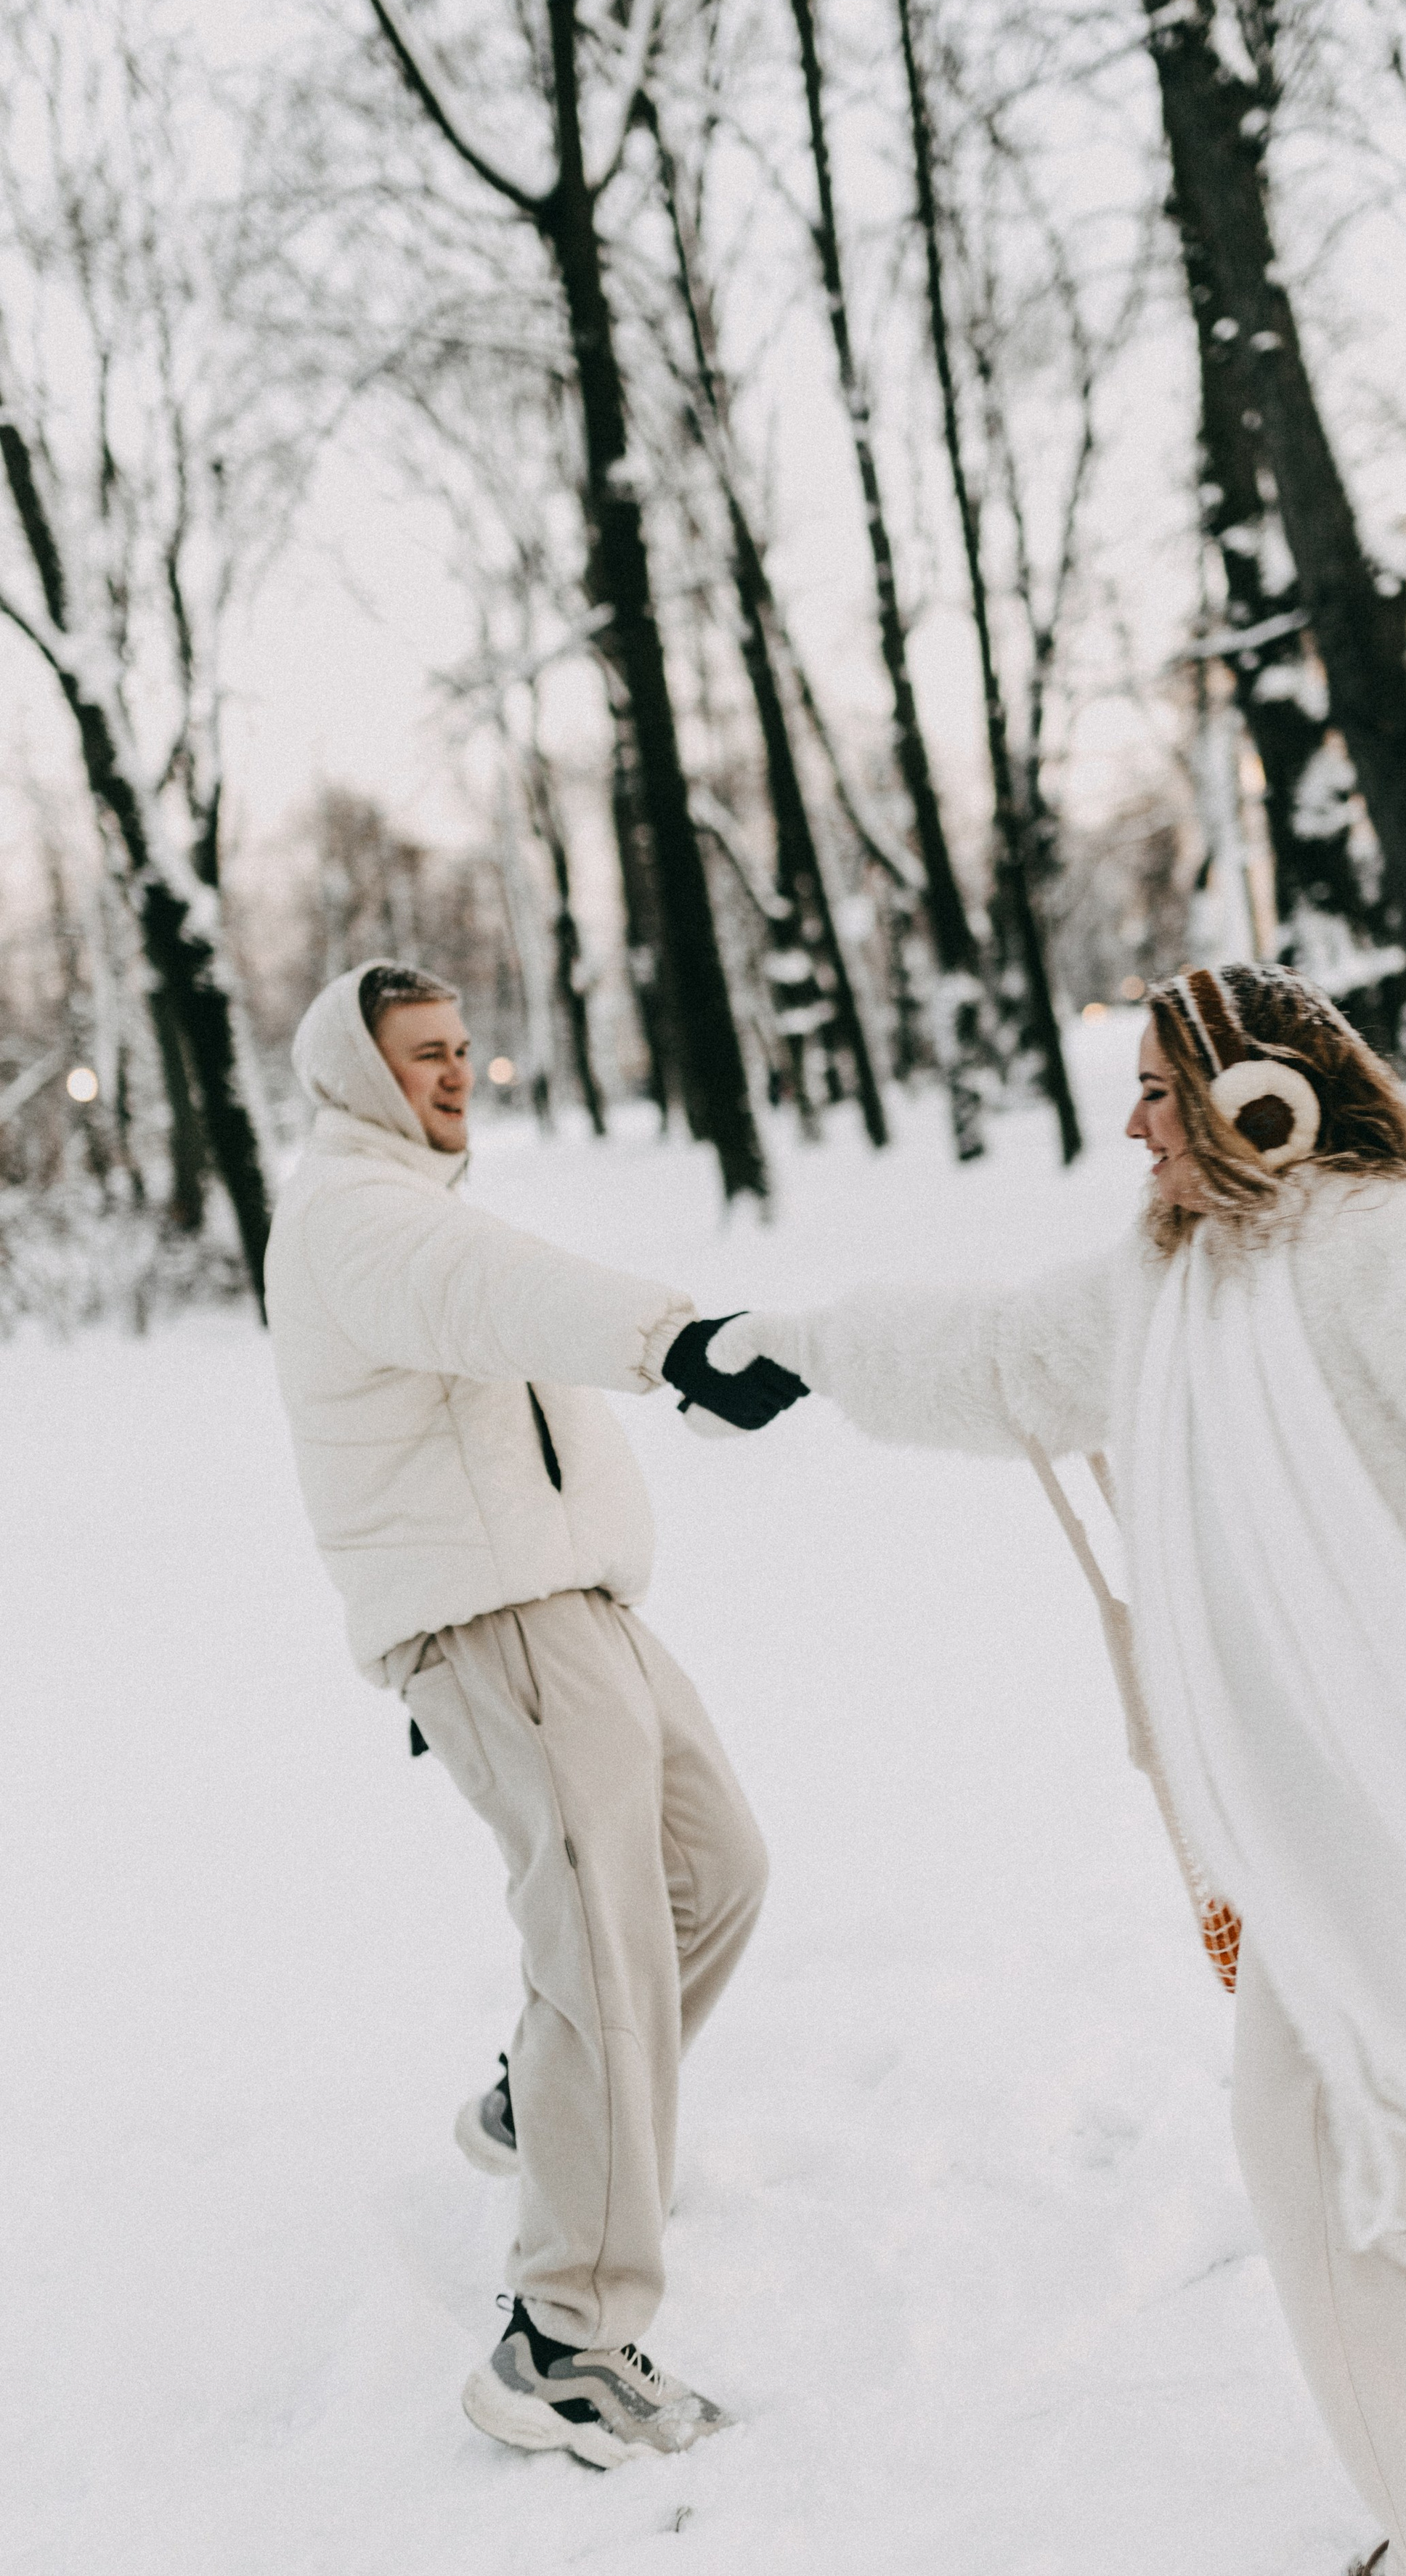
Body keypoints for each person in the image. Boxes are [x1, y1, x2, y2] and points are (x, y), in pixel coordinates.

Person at [689, 963, 1406, 2576]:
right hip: (1315, 1845)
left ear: (1267, 1101)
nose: (1134, 1124)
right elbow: (995, 1360)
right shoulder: (1175, 1285)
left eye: (1163, 1094)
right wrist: (790, 1348)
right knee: (1327, 2196)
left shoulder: (1391, 1260)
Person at [265, 961, 804, 2470]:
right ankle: (562, 2338)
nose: (451, 1074)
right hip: (500, 1626)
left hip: (574, 1607)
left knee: (716, 1875)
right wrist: (679, 1337)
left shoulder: (408, 1206)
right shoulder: (356, 1215)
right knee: (606, 1950)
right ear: (357, 1077)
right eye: (420, 1056)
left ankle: (542, 2108)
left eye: (458, 1049)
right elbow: (504, 1302)